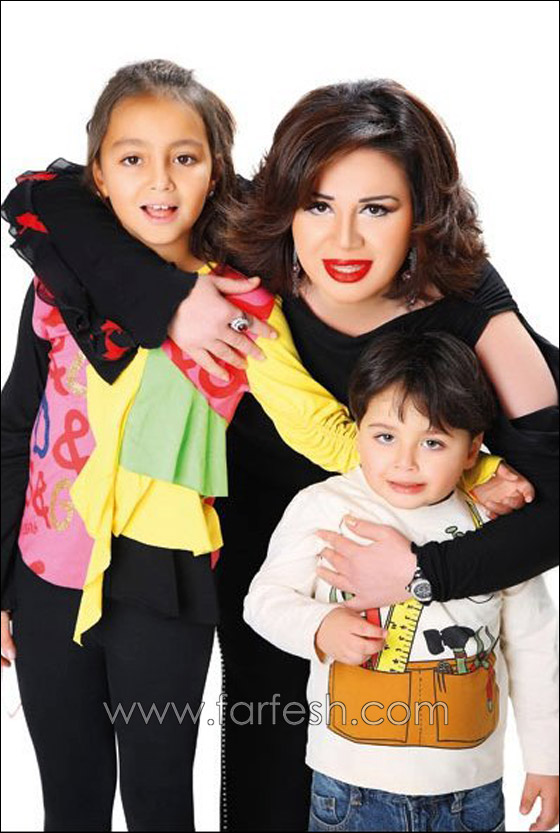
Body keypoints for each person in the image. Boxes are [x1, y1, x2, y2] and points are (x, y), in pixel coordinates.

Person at [1, 79, 557, 831]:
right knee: (263, 773)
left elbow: (547, 503)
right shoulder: (253, 251)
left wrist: (432, 558)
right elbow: (47, 196)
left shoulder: (469, 312)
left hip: (396, 576)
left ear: (422, 212)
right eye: (320, 205)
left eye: (378, 209)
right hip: (252, 561)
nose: (344, 241)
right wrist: (169, 302)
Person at [244, 331, 559, 833]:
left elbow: (535, 644)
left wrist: (546, 760)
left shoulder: (494, 524)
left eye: (433, 442)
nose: (405, 462)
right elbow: (262, 601)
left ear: (472, 448)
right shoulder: (324, 507)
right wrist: (320, 627)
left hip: (470, 793)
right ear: (357, 428)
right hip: (351, 790)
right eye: (385, 436)